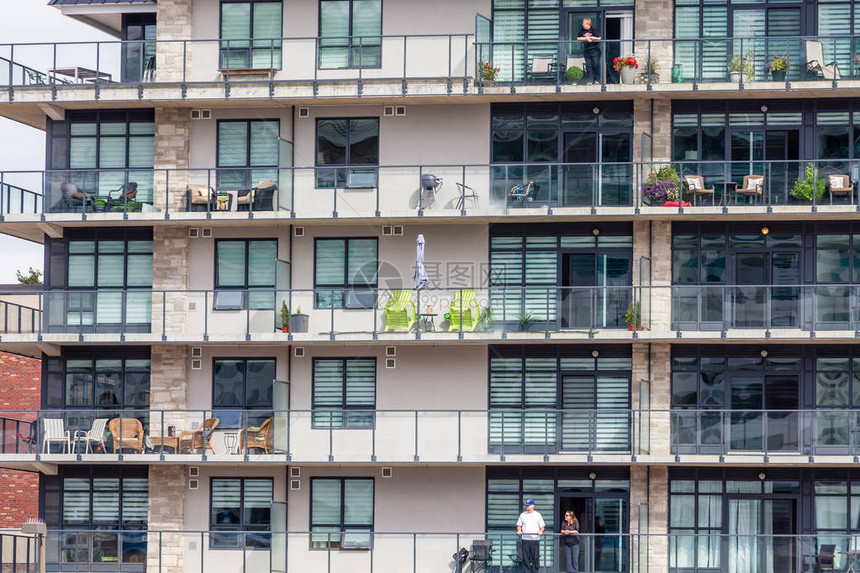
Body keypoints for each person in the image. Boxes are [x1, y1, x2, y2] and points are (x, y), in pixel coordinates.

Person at [516, 499, 545, 573]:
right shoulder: (522, 515)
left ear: (533, 506)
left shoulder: (538, 515)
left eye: (528, 505)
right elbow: (519, 525)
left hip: (535, 539)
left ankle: (535, 571)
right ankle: (527, 571)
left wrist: (541, 531)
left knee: (535, 557)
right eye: (526, 505)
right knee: (525, 558)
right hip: (525, 539)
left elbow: (542, 526)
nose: (527, 507)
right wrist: (519, 530)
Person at [577, 18, 602, 85]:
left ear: (587, 24)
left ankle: (597, 80)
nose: (582, 24)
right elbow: (578, 38)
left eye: (583, 23)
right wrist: (586, 38)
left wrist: (590, 38)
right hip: (587, 50)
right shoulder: (582, 30)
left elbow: (599, 38)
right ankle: (590, 80)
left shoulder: (593, 29)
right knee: (588, 65)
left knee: (596, 64)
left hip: (595, 50)